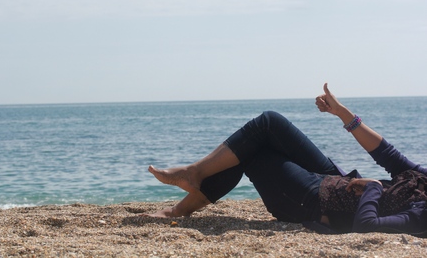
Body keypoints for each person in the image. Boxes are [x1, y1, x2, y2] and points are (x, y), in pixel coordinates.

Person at [145, 83, 427, 236]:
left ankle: (181, 207)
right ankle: (194, 173)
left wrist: (374, 188)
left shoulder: (423, 214)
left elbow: (365, 228)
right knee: (269, 123)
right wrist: (342, 113)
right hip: (340, 181)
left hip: (319, 204)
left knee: (253, 154)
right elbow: (388, 155)